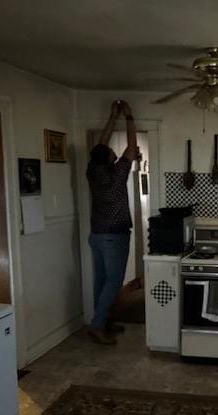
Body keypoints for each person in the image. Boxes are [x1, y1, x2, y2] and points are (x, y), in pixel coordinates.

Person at [87, 100, 137, 344]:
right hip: (115, 236)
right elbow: (132, 147)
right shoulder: (117, 174)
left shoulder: (92, 172)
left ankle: (102, 320)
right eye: (111, 153)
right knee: (114, 282)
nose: (113, 151)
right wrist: (128, 117)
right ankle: (98, 325)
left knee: (101, 280)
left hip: (96, 235)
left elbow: (100, 145)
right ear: (109, 159)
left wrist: (112, 116)